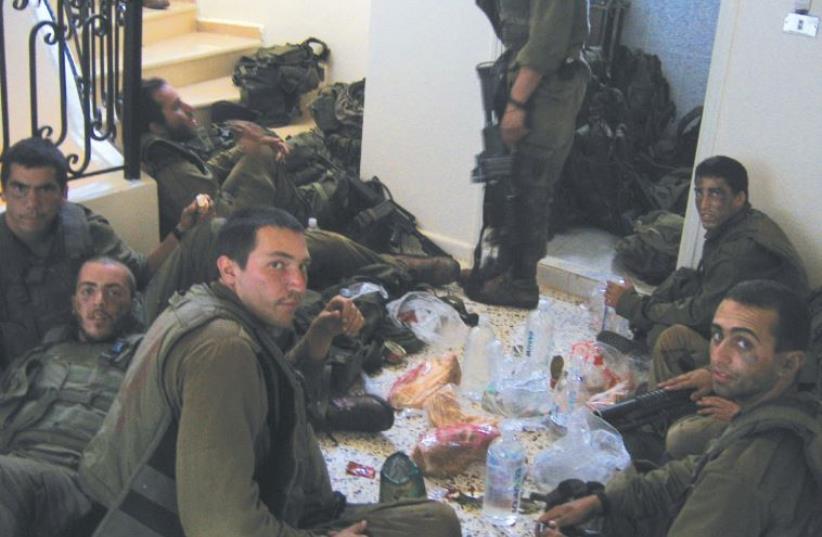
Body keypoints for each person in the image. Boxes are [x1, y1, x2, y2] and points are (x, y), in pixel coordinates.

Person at [79, 207, 461, 537]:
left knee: (434, 520)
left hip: (282, 506)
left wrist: (317, 340)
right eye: (277, 265)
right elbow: (221, 528)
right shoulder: (222, 347)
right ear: (229, 270)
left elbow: (269, 404)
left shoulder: (209, 308)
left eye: (302, 267)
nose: (297, 283)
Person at [535, 280, 822, 537]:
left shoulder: (741, 474)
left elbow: (721, 477)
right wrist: (601, 501)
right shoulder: (789, 412)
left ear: (789, 364)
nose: (719, 356)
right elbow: (693, 471)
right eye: (718, 335)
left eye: (744, 343)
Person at [0, 137, 210, 372]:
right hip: (30, 384)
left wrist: (181, 231)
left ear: (63, 193)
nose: (32, 203)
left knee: (213, 231)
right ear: (4, 191)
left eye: (45, 189)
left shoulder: (81, 228)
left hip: (103, 360)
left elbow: (140, 274)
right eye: (20, 189)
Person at [604, 156, 809, 353]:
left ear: (739, 198)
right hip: (742, 316)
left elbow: (701, 313)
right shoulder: (741, 223)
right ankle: (642, 333)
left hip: (763, 347)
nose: (703, 204)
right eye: (699, 193)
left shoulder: (741, 251)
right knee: (683, 280)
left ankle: (649, 345)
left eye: (715, 194)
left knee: (666, 336)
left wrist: (632, 305)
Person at [0, 257, 143, 537]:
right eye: (88, 291)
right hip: (16, 464)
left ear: (134, 303)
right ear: (75, 302)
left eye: (113, 292)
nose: (99, 301)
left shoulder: (146, 357)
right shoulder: (41, 355)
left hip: (78, 483)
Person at [468, 0, 590, 309]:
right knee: (506, 181)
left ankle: (522, 283)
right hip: (523, 76)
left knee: (531, 186)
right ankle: (501, 270)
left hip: (546, 85)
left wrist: (516, 104)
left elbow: (547, 43)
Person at [140, 77, 339, 237]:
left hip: (226, 206)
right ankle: (307, 215)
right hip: (240, 238)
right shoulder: (173, 172)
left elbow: (204, 174)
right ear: (156, 127)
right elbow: (237, 227)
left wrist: (243, 148)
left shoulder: (160, 151)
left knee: (269, 149)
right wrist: (253, 155)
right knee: (267, 155)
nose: (189, 108)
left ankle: (300, 201)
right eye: (176, 107)